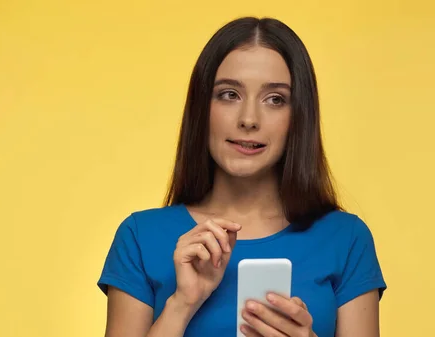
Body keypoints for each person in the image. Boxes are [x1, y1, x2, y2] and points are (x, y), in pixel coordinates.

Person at [97, 16, 387, 337]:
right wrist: (181, 304)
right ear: (201, 108)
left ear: (299, 117)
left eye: (275, 99)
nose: (249, 119)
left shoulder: (347, 240)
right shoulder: (140, 237)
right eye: (229, 94)